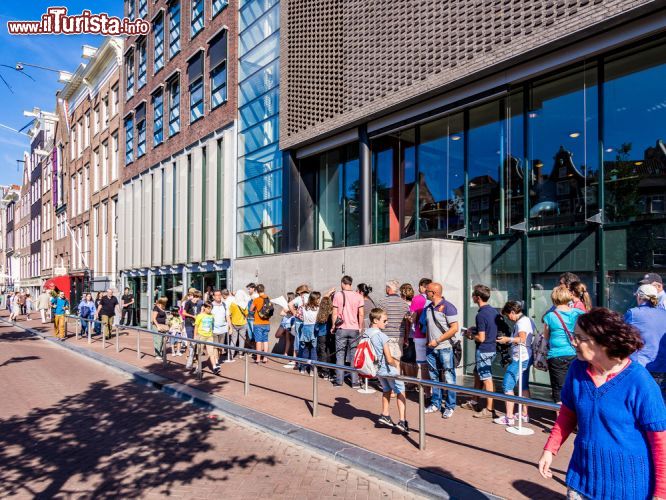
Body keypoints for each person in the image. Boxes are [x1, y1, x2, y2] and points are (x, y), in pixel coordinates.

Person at [538, 308, 666, 500]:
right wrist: (550, 449)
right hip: (581, 483)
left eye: (579, 337)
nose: (573, 342)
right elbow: (567, 414)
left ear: (603, 342)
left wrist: (661, 493)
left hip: (628, 490)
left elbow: (659, 441)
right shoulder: (577, 370)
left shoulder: (640, 382)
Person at [367, 307, 409, 434]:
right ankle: (402, 420)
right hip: (388, 369)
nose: (387, 323)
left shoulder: (366, 333)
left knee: (386, 390)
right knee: (401, 391)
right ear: (375, 320)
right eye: (384, 321)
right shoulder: (382, 336)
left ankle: (385, 414)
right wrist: (395, 366)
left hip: (377, 370)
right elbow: (389, 357)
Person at [421, 282, 460, 419]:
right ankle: (435, 403)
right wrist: (428, 342)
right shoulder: (429, 307)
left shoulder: (448, 307)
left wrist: (437, 340)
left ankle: (450, 406)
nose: (425, 293)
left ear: (434, 292)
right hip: (431, 348)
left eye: (427, 291)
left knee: (449, 377)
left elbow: (454, 328)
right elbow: (429, 327)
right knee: (433, 377)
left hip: (445, 348)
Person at [494, 301, 534, 426]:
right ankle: (524, 414)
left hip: (520, 358)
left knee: (507, 385)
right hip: (527, 356)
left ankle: (509, 417)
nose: (508, 318)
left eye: (508, 315)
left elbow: (522, 338)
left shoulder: (521, 323)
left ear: (512, 312)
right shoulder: (528, 320)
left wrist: (508, 339)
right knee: (524, 386)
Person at [463, 284, 499, 418]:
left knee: (487, 379)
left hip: (484, 350)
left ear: (477, 298)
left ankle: (490, 410)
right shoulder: (492, 311)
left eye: (473, 295)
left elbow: (481, 338)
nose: (472, 297)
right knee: (477, 374)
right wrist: (475, 329)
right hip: (492, 348)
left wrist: (471, 335)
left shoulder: (481, 314)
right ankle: (474, 401)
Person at [625, 284, 666, 399]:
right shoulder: (664, 313)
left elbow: (624, 339)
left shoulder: (633, 313)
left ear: (639, 296)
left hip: (641, 369)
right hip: (663, 369)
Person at [543, 286, 582, 404]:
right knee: (576, 386)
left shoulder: (549, 316)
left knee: (559, 389)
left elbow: (546, 336)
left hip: (556, 355)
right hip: (575, 353)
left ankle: (561, 420)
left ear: (554, 298)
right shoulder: (577, 313)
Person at [332, 275, 365, 388]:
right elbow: (361, 313)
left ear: (342, 283)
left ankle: (339, 381)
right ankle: (354, 382)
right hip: (354, 328)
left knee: (340, 355)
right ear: (351, 283)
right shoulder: (358, 296)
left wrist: (333, 326)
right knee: (354, 355)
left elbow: (335, 313)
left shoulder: (338, 295)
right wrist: (360, 327)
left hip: (341, 328)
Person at [410, 278, 432, 393]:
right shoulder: (434, 300)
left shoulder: (417, 299)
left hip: (420, 334)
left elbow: (412, 317)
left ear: (422, 286)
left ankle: (427, 392)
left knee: (423, 365)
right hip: (433, 336)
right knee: (433, 364)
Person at [378, 280, 410, 359]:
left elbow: (378, 319)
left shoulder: (382, 303)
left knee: (387, 360)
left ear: (388, 289)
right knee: (397, 360)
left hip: (386, 335)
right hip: (400, 336)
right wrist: (406, 337)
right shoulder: (404, 303)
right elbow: (407, 322)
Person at [193, 302, 220, 375]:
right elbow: (196, 326)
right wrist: (195, 336)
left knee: (211, 353)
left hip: (209, 336)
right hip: (201, 336)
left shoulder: (212, 316)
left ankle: (214, 367)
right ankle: (197, 367)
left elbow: (212, 325)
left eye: (211, 308)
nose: (210, 310)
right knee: (199, 353)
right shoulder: (200, 316)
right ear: (204, 307)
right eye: (208, 308)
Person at [287, 285, 310, 368]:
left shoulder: (300, 298)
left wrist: (294, 313)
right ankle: (307, 363)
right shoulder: (311, 297)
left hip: (299, 322)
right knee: (309, 342)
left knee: (298, 341)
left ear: (300, 292)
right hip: (309, 322)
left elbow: (290, 304)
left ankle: (297, 362)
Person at [298, 291, 321, 375]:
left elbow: (299, 316)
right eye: (318, 298)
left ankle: (303, 368)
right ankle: (312, 370)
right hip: (314, 329)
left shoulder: (303, 307)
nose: (319, 300)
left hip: (305, 328)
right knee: (313, 350)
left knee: (305, 349)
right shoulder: (318, 308)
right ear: (315, 299)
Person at [250, 284, 271, 364]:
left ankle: (258, 358)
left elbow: (251, 309)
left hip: (258, 323)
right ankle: (265, 357)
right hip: (266, 322)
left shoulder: (256, 300)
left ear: (256, 291)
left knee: (258, 341)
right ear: (264, 289)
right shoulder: (268, 298)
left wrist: (255, 310)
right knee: (265, 340)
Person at [316, 291, 335, 380]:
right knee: (330, 352)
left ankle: (324, 371)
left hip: (321, 335)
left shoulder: (320, 314)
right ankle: (331, 371)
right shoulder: (332, 314)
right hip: (330, 335)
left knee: (322, 353)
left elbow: (316, 328)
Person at [211, 290, 230, 367]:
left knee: (220, 347)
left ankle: (217, 359)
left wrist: (230, 327)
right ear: (213, 297)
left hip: (223, 329)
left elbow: (227, 316)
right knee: (215, 346)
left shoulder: (224, 305)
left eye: (220, 295)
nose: (218, 297)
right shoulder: (211, 305)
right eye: (217, 295)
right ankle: (216, 361)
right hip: (214, 329)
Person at [229, 290, 250, 359]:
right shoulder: (244, 304)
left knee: (233, 339)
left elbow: (230, 314)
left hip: (234, 323)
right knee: (242, 339)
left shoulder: (233, 304)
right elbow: (246, 314)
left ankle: (232, 354)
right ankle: (241, 353)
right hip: (243, 323)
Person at [278, 292, 296, 360]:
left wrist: (289, 311)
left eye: (287, 297)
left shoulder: (295, 304)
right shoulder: (286, 304)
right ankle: (285, 354)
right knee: (281, 336)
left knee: (291, 339)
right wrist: (287, 312)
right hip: (286, 323)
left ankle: (287, 354)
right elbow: (281, 313)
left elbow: (295, 314)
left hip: (291, 323)